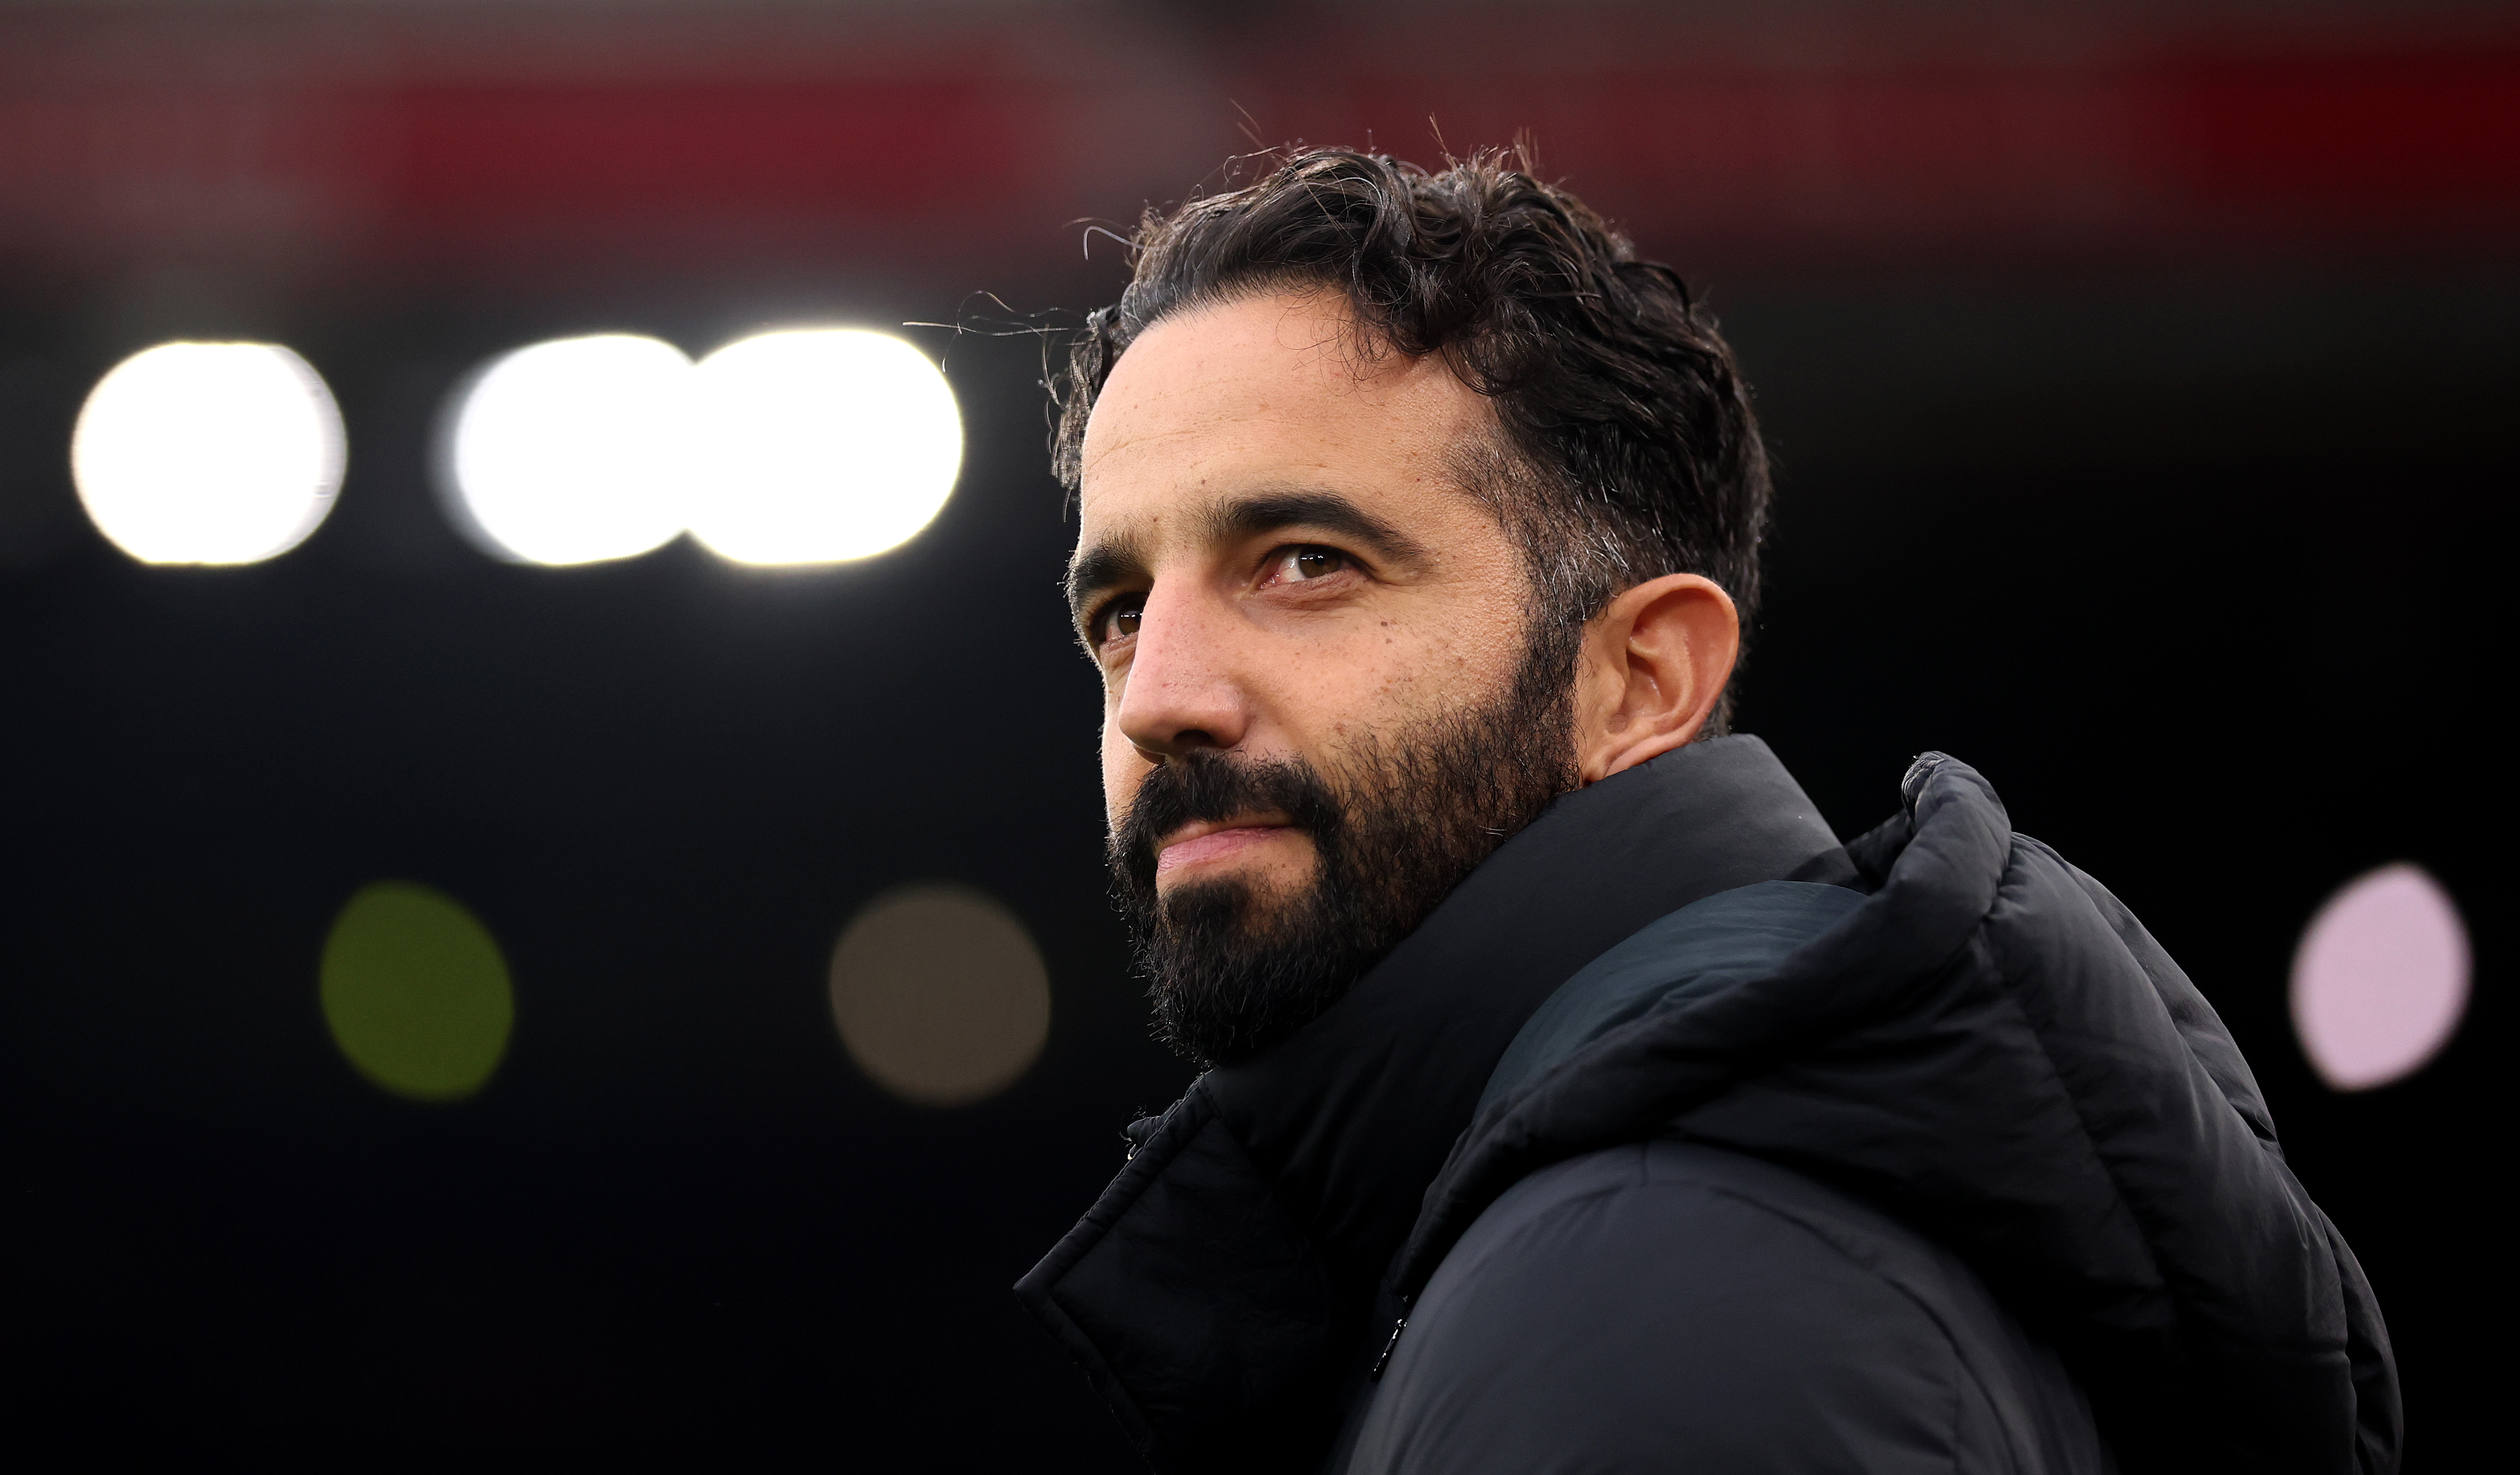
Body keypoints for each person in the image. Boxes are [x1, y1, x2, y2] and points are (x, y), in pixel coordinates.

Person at [1013, 148, 2398, 1475]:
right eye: (1120, 613)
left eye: (1306, 562)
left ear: (1643, 679)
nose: (1156, 700)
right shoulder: (1648, 1223)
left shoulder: (1655, 1287)